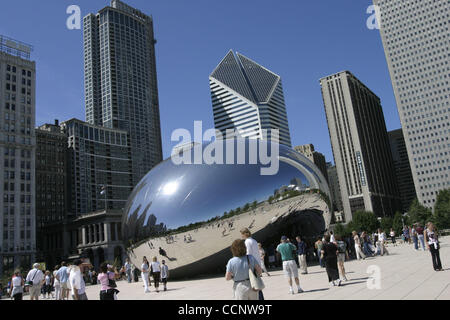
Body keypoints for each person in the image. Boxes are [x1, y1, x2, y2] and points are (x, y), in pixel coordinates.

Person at [240, 228, 264, 300]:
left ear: (244, 234)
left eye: (241, 234)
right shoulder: (254, 240)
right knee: (257, 284)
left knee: (254, 285)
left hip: (252, 266)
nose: (241, 236)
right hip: (257, 264)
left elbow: (248, 255)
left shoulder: (247, 242)